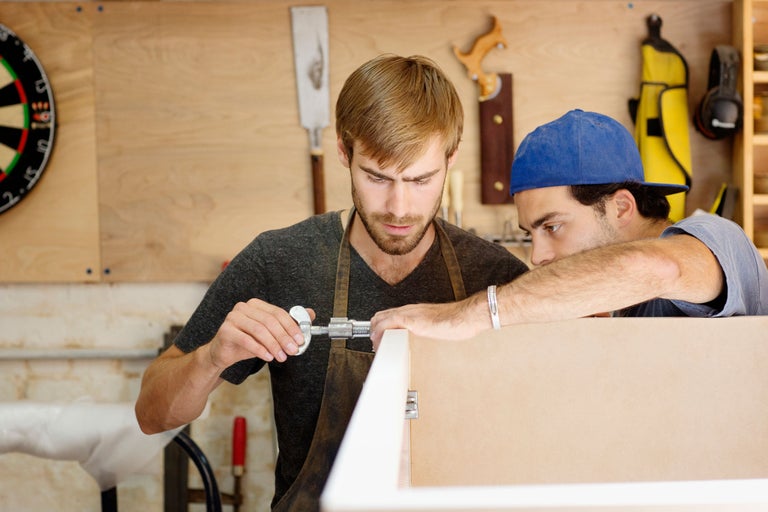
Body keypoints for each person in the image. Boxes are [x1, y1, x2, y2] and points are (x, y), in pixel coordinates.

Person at [134, 54, 529, 511]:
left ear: (451, 157)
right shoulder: (279, 260)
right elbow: (151, 415)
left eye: (421, 179)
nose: (399, 207)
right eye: (377, 177)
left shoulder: (497, 279)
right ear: (344, 151)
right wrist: (210, 358)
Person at [370, 109, 768, 344]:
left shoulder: (717, 240)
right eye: (531, 233)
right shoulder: (619, 308)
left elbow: (656, 268)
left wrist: (467, 315)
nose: (537, 255)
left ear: (621, 208)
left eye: (553, 227)